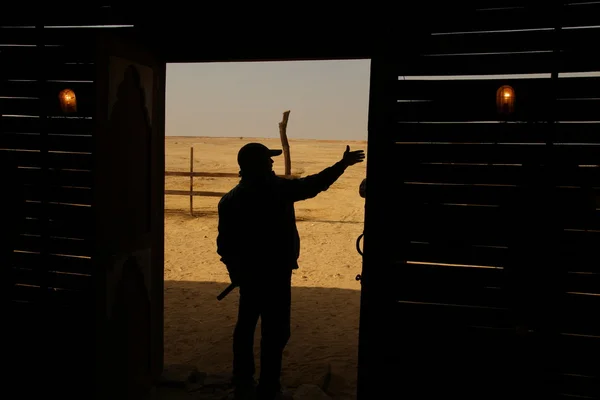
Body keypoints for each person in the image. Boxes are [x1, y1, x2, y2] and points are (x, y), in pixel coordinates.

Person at [216, 142, 365, 400]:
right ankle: (269, 387)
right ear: (259, 165)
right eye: (268, 160)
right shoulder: (277, 191)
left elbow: (224, 245)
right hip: (276, 275)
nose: (273, 164)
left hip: (249, 277)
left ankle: (243, 381)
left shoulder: (229, 200)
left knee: (245, 328)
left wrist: (236, 272)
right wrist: (342, 165)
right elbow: (314, 184)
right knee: (275, 331)